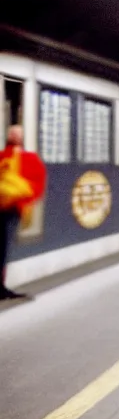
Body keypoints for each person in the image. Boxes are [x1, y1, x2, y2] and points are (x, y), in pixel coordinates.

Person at [0, 125, 46, 299]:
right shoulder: (2, 156)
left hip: (12, 208)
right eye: (12, 133)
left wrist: (19, 197)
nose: (14, 135)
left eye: (17, 133)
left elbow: (35, 184)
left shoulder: (30, 159)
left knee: (3, 247)